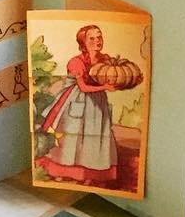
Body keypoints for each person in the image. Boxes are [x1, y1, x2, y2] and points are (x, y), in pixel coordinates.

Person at [36, 24, 122, 187]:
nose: (97, 41)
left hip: (97, 104)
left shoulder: (106, 60)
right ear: (83, 43)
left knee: (95, 139)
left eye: (99, 37)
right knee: (72, 139)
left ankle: (92, 174)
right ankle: (63, 173)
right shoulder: (76, 62)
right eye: (92, 38)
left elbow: (114, 75)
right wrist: (105, 86)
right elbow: (83, 87)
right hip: (76, 102)